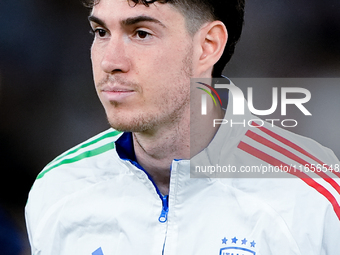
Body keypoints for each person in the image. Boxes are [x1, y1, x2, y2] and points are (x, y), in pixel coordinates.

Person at [25, 0, 340, 254]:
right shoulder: (57, 188)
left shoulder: (313, 194)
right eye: (101, 32)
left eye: (141, 33)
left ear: (207, 46)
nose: (111, 61)